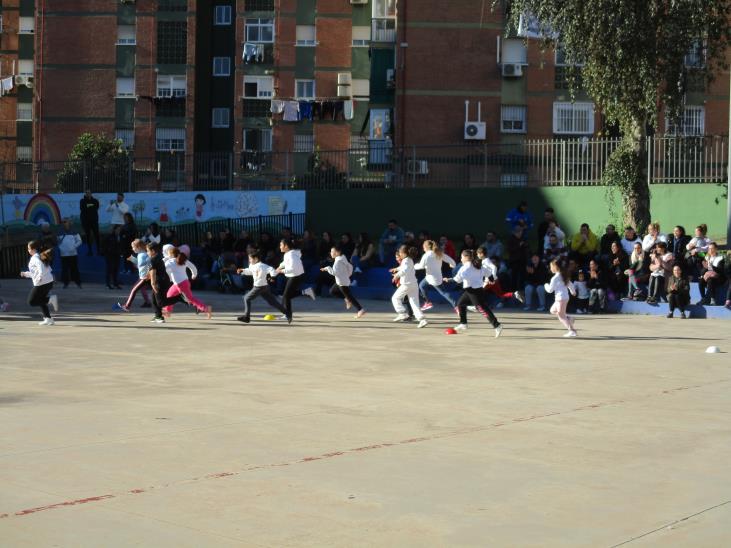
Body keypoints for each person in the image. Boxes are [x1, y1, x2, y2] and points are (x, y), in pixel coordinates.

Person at [444, 249, 502, 337]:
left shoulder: (464, 268)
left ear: (466, 257)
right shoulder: (478, 265)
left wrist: (447, 280)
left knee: (483, 309)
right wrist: (491, 279)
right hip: (473, 291)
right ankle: (463, 323)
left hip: (474, 292)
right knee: (460, 304)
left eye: (462, 257)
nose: (461, 259)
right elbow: (489, 273)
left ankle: (497, 325)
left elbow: (457, 280)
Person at [236, 250, 288, 323]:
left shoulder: (262, 265)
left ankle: (246, 317)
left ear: (256, 259)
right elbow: (250, 271)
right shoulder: (252, 265)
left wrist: (272, 277)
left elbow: (272, 269)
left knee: (246, 298)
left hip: (259, 287)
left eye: (250, 259)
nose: (249, 260)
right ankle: (287, 313)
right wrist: (243, 271)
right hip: (264, 287)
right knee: (272, 302)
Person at [163, 247, 212, 319]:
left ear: (170, 255)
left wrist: (164, 260)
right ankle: (167, 312)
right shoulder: (183, 259)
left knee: (190, 299)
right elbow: (193, 267)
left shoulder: (169, 262)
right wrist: (194, 275)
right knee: (169, 295)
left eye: (168, 254)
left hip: (181, 285)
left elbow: (162, 268)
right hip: (183, 283)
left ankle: (206, 308)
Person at [274, 239, 316, 321]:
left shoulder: (291, 255)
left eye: (281, 245)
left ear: (286, 246)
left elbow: (293, 268)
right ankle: (305, 291)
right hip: (294, 275)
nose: (280, 247)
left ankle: (288, 315)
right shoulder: (289, 254)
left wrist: (281, 271)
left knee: (286, 296)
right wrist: (279, 267)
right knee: (287, 296)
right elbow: (285, 262)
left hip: (296, 276)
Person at [321, 245, 366, 318]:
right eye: (331, 251)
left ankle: (360, 309)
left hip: (342, 283)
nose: (331, 253)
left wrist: (327, 268)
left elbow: (334, 272)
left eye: (332, 251)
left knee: (350, 297)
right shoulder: (343, 258)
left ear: (338, 252)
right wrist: (347, 275)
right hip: (341, 281)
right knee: (333, 291)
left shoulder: (338, 262)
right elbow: (350, 267)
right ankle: (347, 300)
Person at [20, 240, 58, 326]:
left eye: (29, 249)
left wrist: (40, 276)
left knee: (32, 301)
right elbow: (36, 272)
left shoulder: (35, 258)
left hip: (42, 283)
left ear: (33, 249)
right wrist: (26, 274)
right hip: (48, 282)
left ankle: (50, 299)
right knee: (40, 300)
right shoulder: (39, 256)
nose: (28, 250)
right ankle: (48, 319)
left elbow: (41, 268)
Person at [389, 245, 427, 328]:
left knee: (395, 298)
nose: (399, 255)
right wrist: (396, 269)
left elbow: (404, 270)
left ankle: (402, 313)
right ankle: (422, 320)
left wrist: (396, 275)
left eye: (400, 253)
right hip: (414, 284)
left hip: (407, 285)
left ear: (403, 253)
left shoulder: (405, 260)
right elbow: (403, 267)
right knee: (414, 303)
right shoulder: (409, 260)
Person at [415, 239, 457, 311]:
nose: (423, 249)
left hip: (432, 279)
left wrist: (415, 266)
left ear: (426, 247)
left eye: (423, 247)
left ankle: (456, 305)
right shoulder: (438, 253)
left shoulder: (426, 255)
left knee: (443, 292)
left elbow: (421, 266)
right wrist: (452, 265)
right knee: (422, 285)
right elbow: (452, 261)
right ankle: (427, 302)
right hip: (435, 277)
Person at [114, 239, 152, 311]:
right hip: (146, 276)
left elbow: (140, 265)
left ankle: (127, 306)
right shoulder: (144, 254)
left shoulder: (141, 255)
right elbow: (146, 264)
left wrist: (133, 260)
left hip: (144, 277)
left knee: (134, 290)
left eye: (133, 247)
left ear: (139, 247)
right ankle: (148, 302)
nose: (132, 249)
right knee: (149, 290)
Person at [544, 259, 577, 337]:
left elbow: (550, 290)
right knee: (552, 310)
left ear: (555, 267)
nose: (550, 268)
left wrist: (546, 285)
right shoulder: (563, 275)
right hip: (563, 298)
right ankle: (569, 318)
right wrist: (573, 292)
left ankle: (572, 331)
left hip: (560, 299)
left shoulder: (555, 278)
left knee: (561, 316)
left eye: (551, 267)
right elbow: (570, 284)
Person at [57, 219, 83, 289]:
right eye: (63, 222)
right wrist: (61, 249)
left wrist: (74, 247)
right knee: (64, 270)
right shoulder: (59, 232)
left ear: (69, 223)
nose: (64, 223)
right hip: (63, 255)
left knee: (75, 269)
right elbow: (58, 242)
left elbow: (80, 241)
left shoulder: (74, 231)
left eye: (65, 222)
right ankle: (65, 283)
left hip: (73, 254)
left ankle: (78, 283)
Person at [506, 225, 529, 290]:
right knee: (514, 277)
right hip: (514, 261)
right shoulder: (510, 239)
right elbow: (509, 250)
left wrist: (525, 245)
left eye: (521, 232)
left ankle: (521, 289)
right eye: (519, 232)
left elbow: (527, 248)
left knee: (522, 276)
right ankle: (513, 290)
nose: (520, 233)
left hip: (523, 261)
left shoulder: (523, 238)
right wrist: (518, 245)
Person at [79, 189, 100, 255]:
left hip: (94, 221)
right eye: (87, 193)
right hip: (86, 221)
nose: (88, 194)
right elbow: (82, 208)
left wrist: (88, 206)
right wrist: (90, 206)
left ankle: (98, 250)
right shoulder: (82, 201)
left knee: (97, 235)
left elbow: (96, 207)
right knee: (88, 236)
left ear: (91, 193)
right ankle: (90, 251)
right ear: (85, 194)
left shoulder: (95, 200)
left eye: (89, 193)